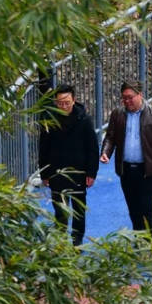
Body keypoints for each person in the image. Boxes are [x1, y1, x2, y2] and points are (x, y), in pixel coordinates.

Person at [100, 80, 152, 240]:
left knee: (147, 208)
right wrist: (106, 152)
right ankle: (138, 240)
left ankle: (149, 242)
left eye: (130, 97)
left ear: (140, 95)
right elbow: (110, 136)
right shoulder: (117, 114)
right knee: (133, 208)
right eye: (124, 98)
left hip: (147, 171)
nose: (127, 101)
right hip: (126, 170)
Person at [38, 83, 99, 246]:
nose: (63, 106)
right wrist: (44, 173)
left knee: (79, 209)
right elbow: (43, 147)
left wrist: (91, 172)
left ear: (74, 100)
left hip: (78, 171)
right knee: (60, 210)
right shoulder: (49, 120)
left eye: (67, 103)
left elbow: (92, 147)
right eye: (60, 103)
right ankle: (60, 240)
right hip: (56, 171)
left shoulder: (84, 120)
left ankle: (77, 240)